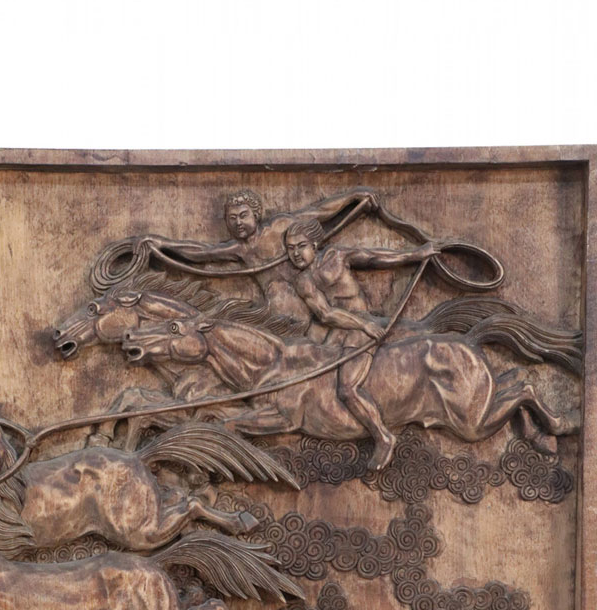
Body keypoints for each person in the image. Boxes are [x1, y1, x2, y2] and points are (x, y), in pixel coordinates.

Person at [282, 216, 441, 471]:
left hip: (362, 327)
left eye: (301, 246)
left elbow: (373, 257)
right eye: (290, 249)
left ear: (315, 244)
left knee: (347, 388)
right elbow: (325, 314)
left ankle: (383, 437)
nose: (296, 254)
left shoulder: (337, 255)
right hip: (338, 331)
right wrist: (359, 325)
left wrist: (414, 255)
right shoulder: (303, 282)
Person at [156, 187, 380, 327]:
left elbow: (318, 211)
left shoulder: (279, 226)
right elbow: (202, 252)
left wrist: (352, 196)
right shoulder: (238, 249)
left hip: (314, 294)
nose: (238, 222)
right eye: (232, 218)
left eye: (243, 215)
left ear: (256, 215)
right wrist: (162, 245)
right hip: (284, 309)